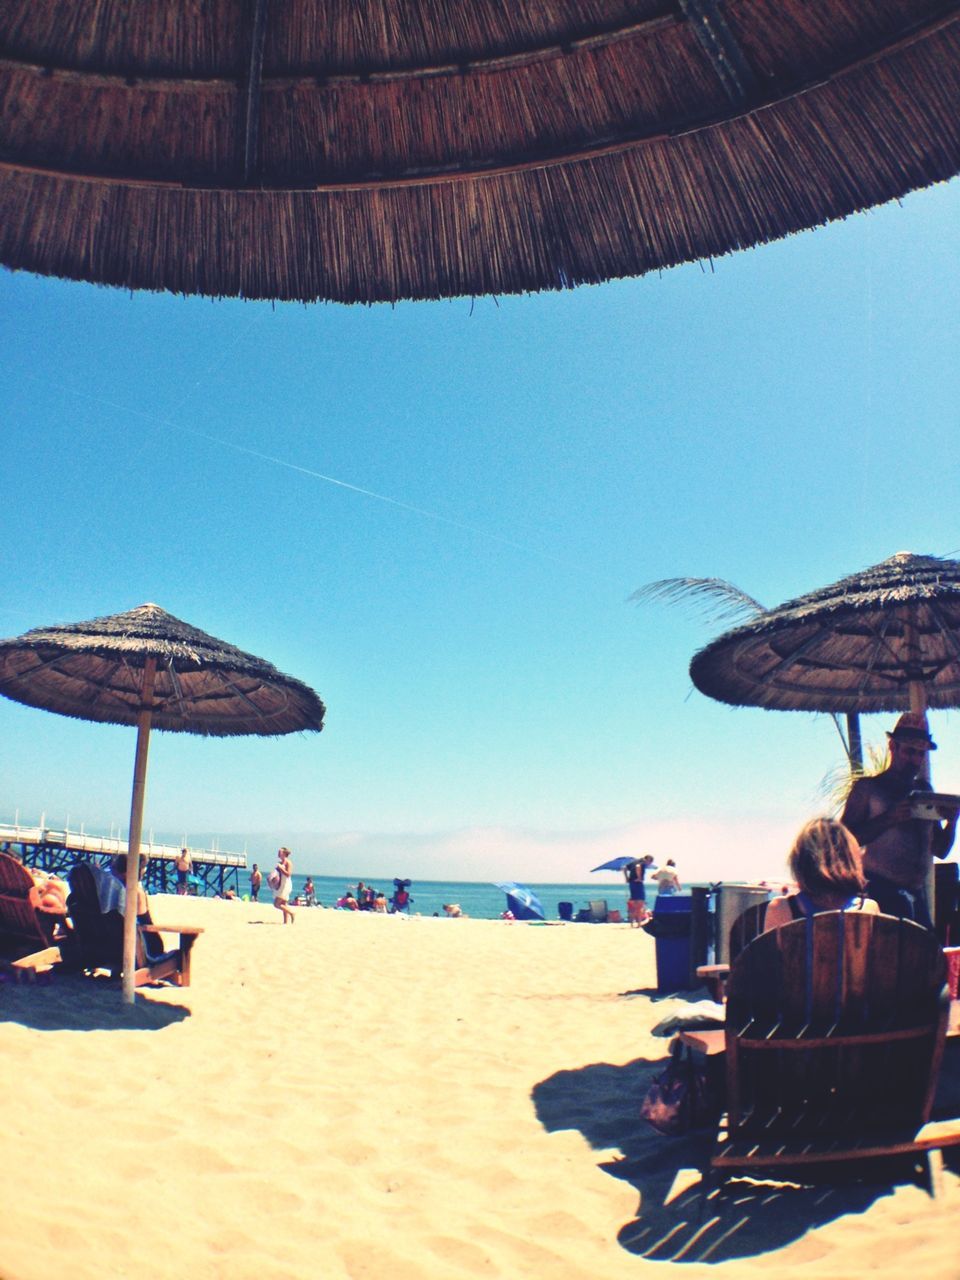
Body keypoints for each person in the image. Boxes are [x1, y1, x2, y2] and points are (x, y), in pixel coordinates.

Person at [840, 711, 957, 928]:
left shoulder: (924, 791)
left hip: (915, 894)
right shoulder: (869, 788)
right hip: (878, 891)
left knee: (926, 957)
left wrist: (952, 821)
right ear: (893, 747)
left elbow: (940, 849)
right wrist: (889, 819)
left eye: (921, 754)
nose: (915, 760)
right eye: (910, 751)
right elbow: (842, 841)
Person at [764, 818, 879, 932]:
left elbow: (769, 950)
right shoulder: (867, 909)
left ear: (800, 861)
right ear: (850, 860)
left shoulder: (782, 909)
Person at [624, 854, 654, 927]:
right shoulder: (642, 863)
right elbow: (638, 867)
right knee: (640, 904)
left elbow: (624, 868)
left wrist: (627, 878)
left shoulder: (634, 862)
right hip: (638, 884)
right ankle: (639, 924)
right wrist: (639, 877)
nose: (649, 864)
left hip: (632, 884)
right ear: (648, 860)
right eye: (649, 863)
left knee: (633, 905)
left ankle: (631, 924)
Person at [273, 847, 295, 925]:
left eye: (280, 852)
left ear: (284, 853)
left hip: (285, 884)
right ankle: (285, 922)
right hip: (281, 884)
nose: (278, 853)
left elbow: (288, 874)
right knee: (284, 904)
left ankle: (292, 913)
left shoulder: (288, 862)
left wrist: (281, 868)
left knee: (276, 904)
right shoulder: (280, 862)